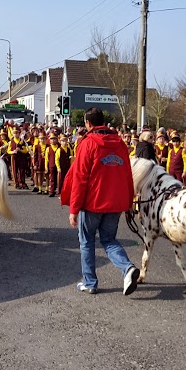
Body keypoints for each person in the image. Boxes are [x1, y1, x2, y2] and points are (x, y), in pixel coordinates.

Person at [61, 107, 139, 296]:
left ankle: (90, 282)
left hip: (93, 202)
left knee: (86, 241)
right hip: (115, 202)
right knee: (109, 240)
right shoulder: (120, 143)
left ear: (88, 123)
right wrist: (129, 201)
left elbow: (80, 177)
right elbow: (128, 174)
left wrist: (74, 208)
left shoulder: (87, 143)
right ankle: (127, 268)